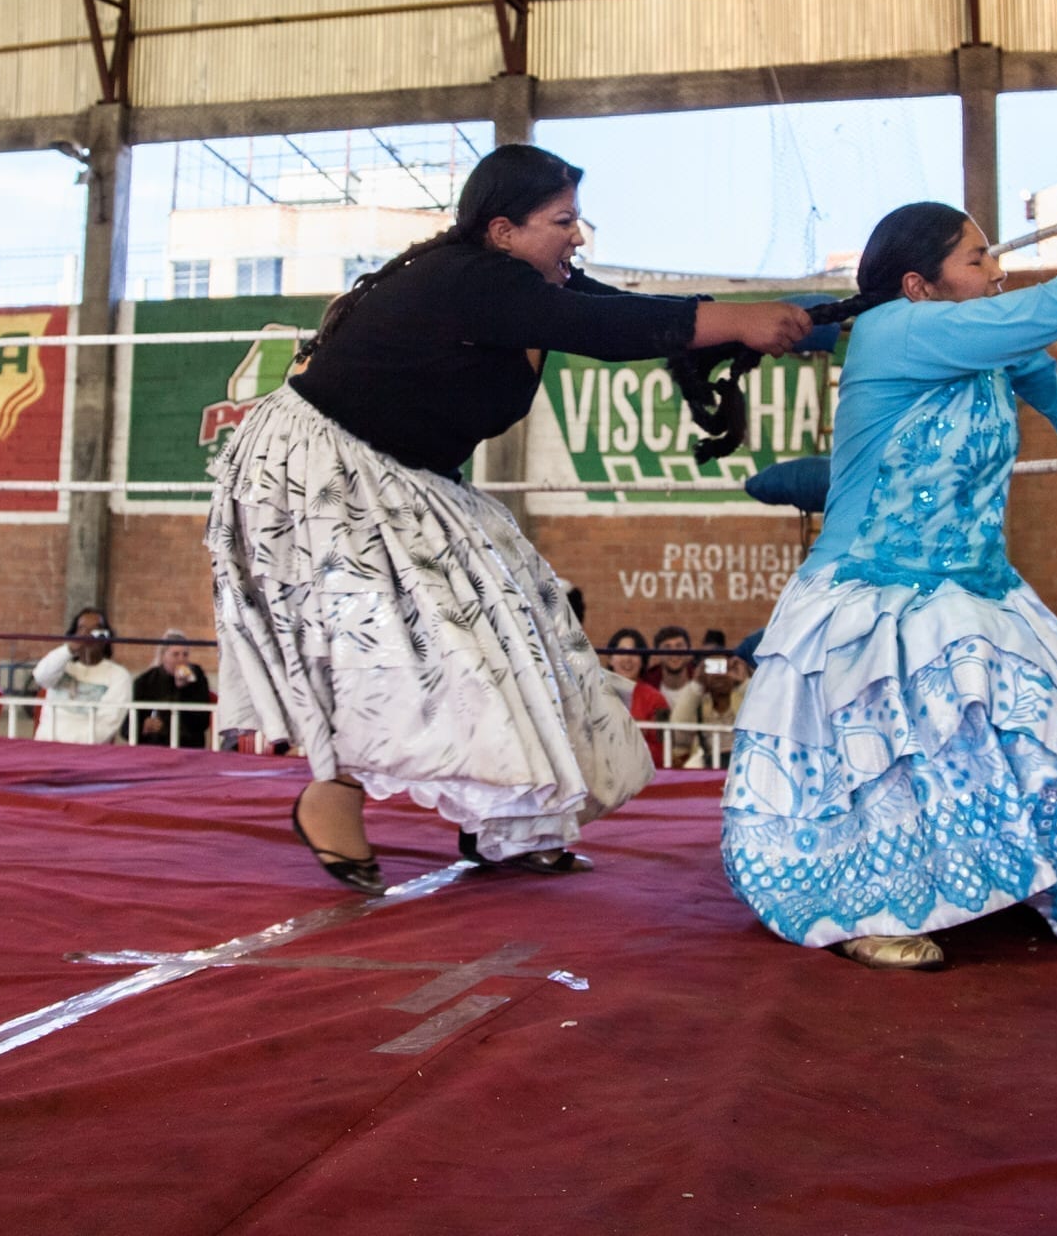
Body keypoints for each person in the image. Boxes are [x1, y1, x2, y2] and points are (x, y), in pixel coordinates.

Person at [210, 142, 815, 893]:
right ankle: (330, 795)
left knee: (517, 625)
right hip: (316, 473)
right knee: (400, 644)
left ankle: (508, 819)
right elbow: (612, 331)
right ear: (502, 230)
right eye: (563, 220)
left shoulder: (528, 285)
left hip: (402, 473)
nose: (578, 235)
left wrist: (774, 323)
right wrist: (741, 319)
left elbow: (622, 312)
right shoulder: (472, 280)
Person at [721, 142, 1057, 967]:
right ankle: (877, 907)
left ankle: (997, 881)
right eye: (979, 258)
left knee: (1033, 745)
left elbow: (1036, 369)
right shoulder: (897, 333)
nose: (995, 271)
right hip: (876, 592)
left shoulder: (972, 337)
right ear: (916, 286)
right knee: (893, 766)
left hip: (975, 587)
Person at [36, 609, 132, 744]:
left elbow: (108, 722)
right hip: (47, 745)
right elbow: (41, 677)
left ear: (106, 637)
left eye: (95, 630)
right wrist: (68, 650)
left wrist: (74, 747)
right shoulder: (63, 666)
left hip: (86, 752)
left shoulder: (119, 675)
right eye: (82, 629)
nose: (88, 637)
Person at [132, 629, 213, 748]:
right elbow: (127, 728)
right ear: (163, 656)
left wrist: (184, 689)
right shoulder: (145, 681)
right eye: (175, 654)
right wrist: (143, 726)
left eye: (185, 654)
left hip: (189, 747)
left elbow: (202, 722)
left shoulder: (197, 677)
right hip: (155, 747)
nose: (181, 659)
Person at [601, 635, 668, 767]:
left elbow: (665, 747)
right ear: (610, 659)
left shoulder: (658, 699)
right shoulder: (594, 694)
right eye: (622, 652)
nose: (628, 659)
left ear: (643, 661)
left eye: (634, 653)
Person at [647, 626, 703, 766]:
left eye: (679, 646)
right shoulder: (648, 685)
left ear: (689, 653)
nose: (674, 652)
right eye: (667, 647)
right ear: (657, 655)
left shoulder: (702, 685)